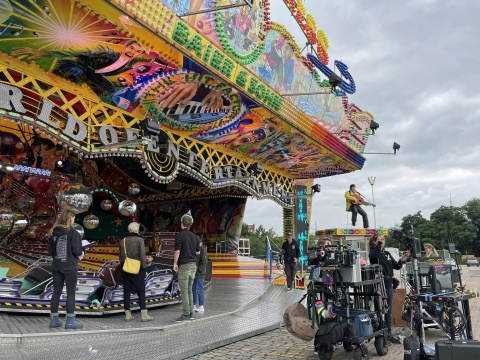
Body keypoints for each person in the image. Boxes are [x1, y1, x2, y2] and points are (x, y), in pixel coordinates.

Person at [369, 233, 410, 344]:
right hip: (378, 283)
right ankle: (379, 333)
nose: (382, 240)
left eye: (383, 239)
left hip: (388, 283)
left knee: (388, 309)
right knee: (379, 308)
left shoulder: (386, 253)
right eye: (379, 239)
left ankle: (388, 333)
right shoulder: (373, 252)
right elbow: (374, 257)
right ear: (374, 241)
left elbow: (396, 266)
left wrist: (403, 259)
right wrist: (378, 245)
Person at [47, 210, 83, 329]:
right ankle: (70, 321)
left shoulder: (53, 233)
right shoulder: (73, 233)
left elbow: (50, 252)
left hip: (57, 266)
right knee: (70, 293)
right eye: (73, 218)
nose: (74, 220)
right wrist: (83, 250)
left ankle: (54, 320)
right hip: (70, 266)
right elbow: (77, 251)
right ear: (69, 219)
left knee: (56, 292)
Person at [119, 222, 154, 322]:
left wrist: (124, 267)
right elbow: (142, 256)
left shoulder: (123, 240)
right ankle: (144, 314)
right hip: (137, 269)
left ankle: (128, 314)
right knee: (141, 291)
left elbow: (121, 257)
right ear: (137, 229)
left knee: (127, 291)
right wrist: (143, 267)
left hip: (125, 269)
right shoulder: (140, 240)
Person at [173, 211, 200, 322]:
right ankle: (191, 313)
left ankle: (185, 314)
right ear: (190, 225)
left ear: (181, 223)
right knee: (189, 290)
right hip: (193, 266)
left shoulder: (179, 236)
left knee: (184, 291)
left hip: (184, 266)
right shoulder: (195, 237)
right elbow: (198, 252)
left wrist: (175, 263)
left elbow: (177, 251)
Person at [193, 242, 208, 312]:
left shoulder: (202, 250)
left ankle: (201, 305)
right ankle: (193, 304)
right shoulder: (198, 248)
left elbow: (204, 262)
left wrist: (198, 270)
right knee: (194, 289)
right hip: (196, 272)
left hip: (199, 273)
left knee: (199, 289)